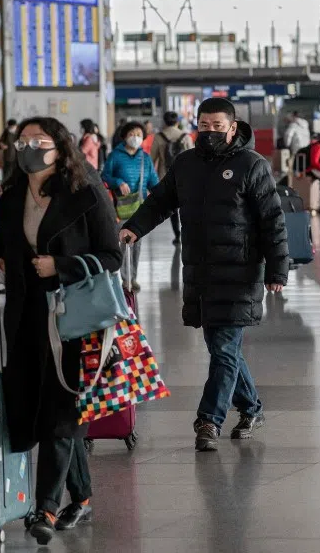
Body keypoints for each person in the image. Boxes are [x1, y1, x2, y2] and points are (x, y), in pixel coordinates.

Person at [119, 98, 289, 452]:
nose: (209, 131)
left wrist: (277, 267)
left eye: (216, 126)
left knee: (225, 348)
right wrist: (134, 228)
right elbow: (160, 201)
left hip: (240, 272)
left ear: (232, 127)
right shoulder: (186, 163)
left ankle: (209, 420)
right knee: (222, 348)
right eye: (204, 125)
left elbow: (272, 220)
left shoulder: (251, 165)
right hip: (200, 272)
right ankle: (252, 408)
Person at [0, 116, 121, 544]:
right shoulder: (11, 197)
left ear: (61, 148)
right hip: (26, 315)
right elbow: (2, 248)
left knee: (63, 409)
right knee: (41, 406)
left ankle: (45, 507)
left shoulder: (85, 192)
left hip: (73, 317)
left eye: (39, 140)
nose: (29, 146)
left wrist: (60, 266)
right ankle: (80, 496)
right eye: (23, 140)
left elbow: (111, 255)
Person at [101, 121, 159, 291]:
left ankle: (132, 277)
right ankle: (125, 279)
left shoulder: (145, 158)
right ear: (125, 136)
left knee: (136, 245)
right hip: (120, 207)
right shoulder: (116, 156)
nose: (136, 138)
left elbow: (153, 182)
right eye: (132, 134)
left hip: (139, 208)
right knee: (124, 242)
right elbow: (105, 176)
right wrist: (118, 182)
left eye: (139, 135)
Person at [149, 111, 194, 243]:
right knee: (186, 205)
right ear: (177, 122)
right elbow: (193, 159)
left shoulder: (158, 137)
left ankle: (177, 235)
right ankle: (187, 232)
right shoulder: (186, 137)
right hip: (185, 176)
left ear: (164, 122)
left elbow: (152, 159)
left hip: (166, 176)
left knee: (173, 208)